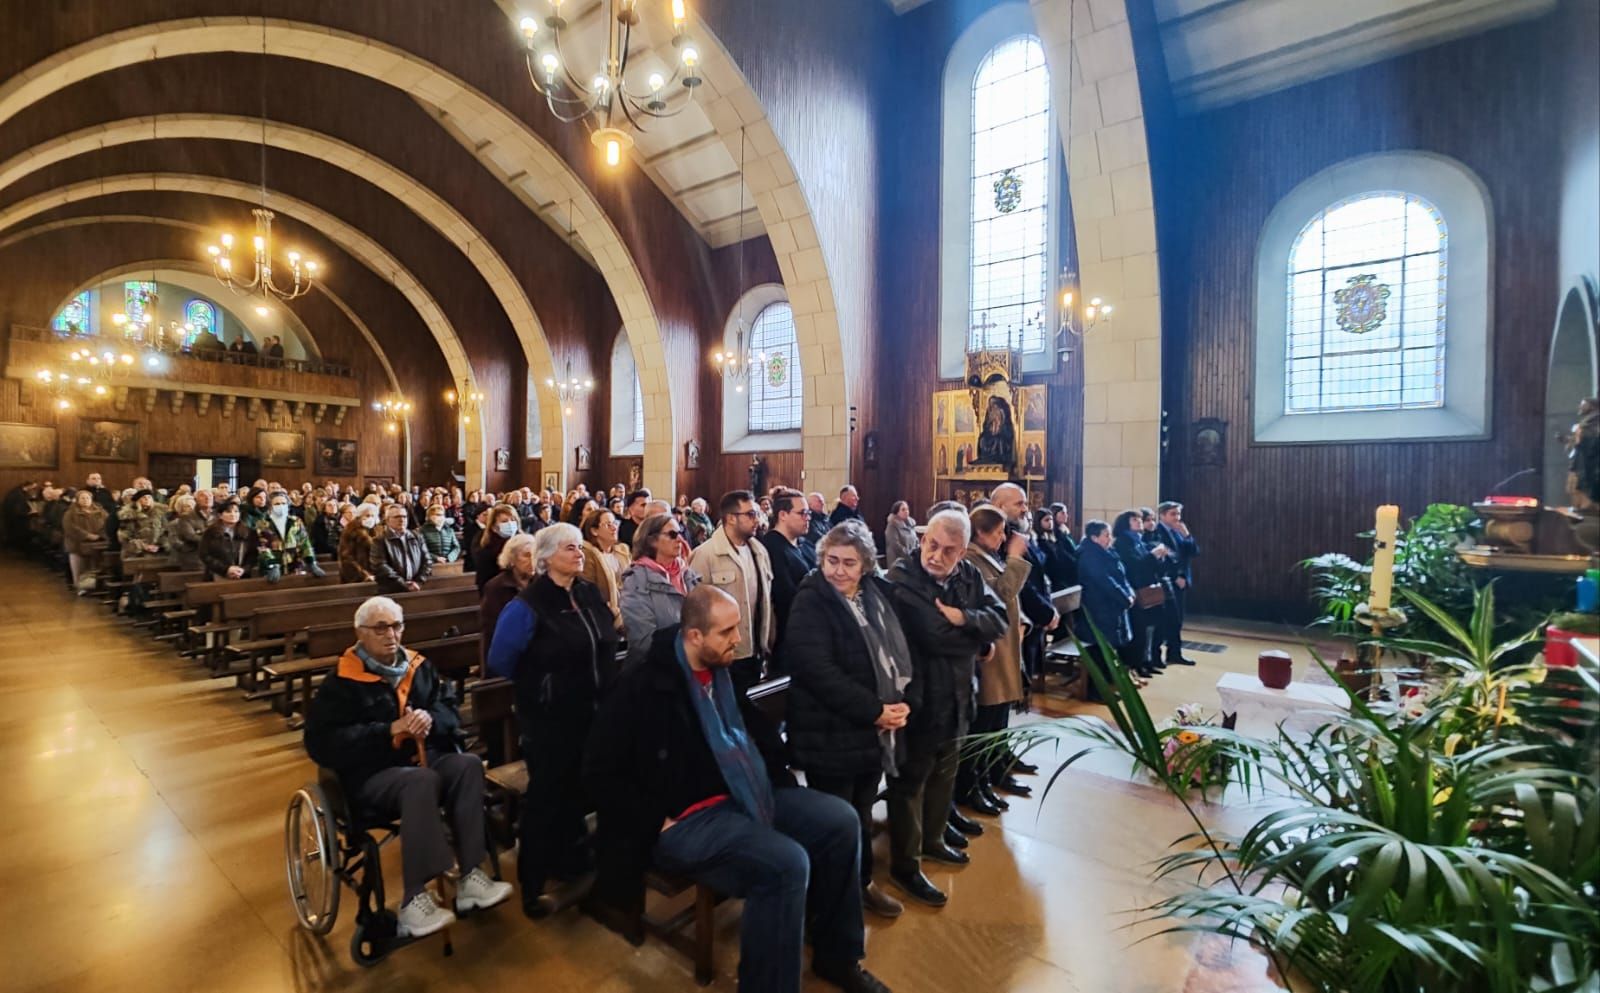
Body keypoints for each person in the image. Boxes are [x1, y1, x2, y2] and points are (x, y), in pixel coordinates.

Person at [584, 586, 893, 993]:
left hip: (745, 791)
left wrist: (779, 775)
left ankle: (837, 957)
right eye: (727, 632)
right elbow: (597, 770)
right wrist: (650, 819)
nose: (738, 640)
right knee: (786, 863)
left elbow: (752, 733)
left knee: (840, 822)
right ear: (694, 636)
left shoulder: (721, 671)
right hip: (685, 818)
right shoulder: (643, 685)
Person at [303, 596, 513, 938]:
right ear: (360, 633)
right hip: (371, 775)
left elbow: (450, 709)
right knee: (421, 782)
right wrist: (388, 730)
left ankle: (471, 876)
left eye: (397, 626)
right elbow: (321, 742)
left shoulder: (419, 667)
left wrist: (430, 719)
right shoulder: (341, 681)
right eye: (381, 627)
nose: (391, 635)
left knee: (467, 765)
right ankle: (414, 900)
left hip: (425, 759)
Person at [783, 522, 916, 920]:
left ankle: (860, 884)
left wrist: (901, 703)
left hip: (869, 733)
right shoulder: (811, 600)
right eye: (831, 560)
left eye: (849, 563)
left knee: (860, 813)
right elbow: (816, 669)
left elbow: (899, 652)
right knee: (835, 824)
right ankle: (828, 905)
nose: (838, 570)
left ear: (865, 566)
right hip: (829, 732)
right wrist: (875, 710)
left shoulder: (876, 594)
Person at [487, 524, 620, 918]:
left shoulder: (587, 592)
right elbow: (501, 659)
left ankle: (574, 862)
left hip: (594, 711)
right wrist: (544, 684)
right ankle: (532, 883)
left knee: (583, 791)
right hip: (551, 719)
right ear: (545, 559)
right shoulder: (527, 605)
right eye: (569, 548)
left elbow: (605, 640)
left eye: (580, 547)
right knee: (547, 799)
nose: (579, 554)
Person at [884, 509, 1006, 908]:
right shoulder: (904, 578)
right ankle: (906, 865)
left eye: (948, 551)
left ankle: (934, 840)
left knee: (944, 775)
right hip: (920, 698)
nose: (936, 556)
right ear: (922, 538)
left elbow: (1000, 617)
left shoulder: (968, 575)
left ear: (963, 551)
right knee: (911, 784)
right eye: (931, 545)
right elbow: (934, 637)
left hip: (958, 695)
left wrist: (964, 617)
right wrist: (978, 640)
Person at [955, 507, 1032, 818]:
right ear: (980, 534)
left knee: (996, 726)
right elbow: (1001, 594)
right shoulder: (971, 559)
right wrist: (1014, 558)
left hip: (1004, 653)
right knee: (982, 728)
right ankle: (971, 787)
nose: (1003, 538)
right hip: (990, 659)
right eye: (998, 532)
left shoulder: (986, 557)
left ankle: (986, 779)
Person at [689, 490, 775, 692]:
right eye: (751, 514)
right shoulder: (706, 554)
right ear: (730, 518)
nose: (757, 520)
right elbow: (696, 609)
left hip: (755, 648)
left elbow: (766, 600)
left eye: (757, 514)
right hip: (724, 654)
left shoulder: (759, 551)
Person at [617, 513, 701, 667]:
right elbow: (643, 639)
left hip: (693, 665)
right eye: (672, 534)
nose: (680, 540)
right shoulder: (637, 580)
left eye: (681, 532)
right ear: (652, 540)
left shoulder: (688, 574)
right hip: (657, 669)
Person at [1076, 520, 1137, 702]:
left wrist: (1129, 593)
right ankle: (1095, 691)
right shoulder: (1089, 556)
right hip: (1097, 608)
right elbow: (1104, 581)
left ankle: (1108, 683)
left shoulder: (1106, 551)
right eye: (1106, 535)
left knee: (1109, 648)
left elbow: (1121, 575)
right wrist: (1124, 597)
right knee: (1099, 650)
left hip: (1110, 607)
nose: (1110, 538)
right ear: (1094, 538)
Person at [758, 488, 816, 672]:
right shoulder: (772, 547)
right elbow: (785, 595)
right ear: (783, 515)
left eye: (809, 513)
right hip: (788, 637)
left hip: (810, 631)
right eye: (802, 513)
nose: (808, 518)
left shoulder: (805, 545)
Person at [1113, 510, 1165, 677]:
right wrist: (1152, 556)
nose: (1139, 522)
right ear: (1125, 524)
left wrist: (1159, 558)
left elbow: (1147, 565)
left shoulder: (1138, 541)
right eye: (1135, 519)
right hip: (1135, 590)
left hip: (1147, 589)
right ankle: (1136, 665)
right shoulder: (1122, 543)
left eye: (1139, 519)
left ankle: (1145, 662)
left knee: (1148, 629)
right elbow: (1134, 567)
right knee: (1138, 631)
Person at [479, 532, 536, 666]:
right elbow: (492, 630)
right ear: (512, 559)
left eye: (535, 554)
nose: (532, 560)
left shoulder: (541, 583)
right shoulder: (496, 587)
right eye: (527, 555)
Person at [1154, 501, 1199, 667]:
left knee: (1178, 619)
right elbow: (1166, 559)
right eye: (1173, 514)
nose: (1177, 517)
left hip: (1182, 581)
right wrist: (1176, 576)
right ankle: (1158, 656)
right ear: (1163, 515)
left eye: (1178, 514)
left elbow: (1193, 552)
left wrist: (1187, 535)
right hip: (1168, 581)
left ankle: (1175, 653)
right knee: (1166, 620)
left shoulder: (1179, 531)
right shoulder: (1158, 532)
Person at [579, 506, 631, 630]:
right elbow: (592, 592)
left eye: (615, 523)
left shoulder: (622, 551)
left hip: (629, 611)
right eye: (608, 525)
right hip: (604, 618)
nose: (614, 528)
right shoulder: (587, 555)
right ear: (594, 531)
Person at [257, 491, 324, 581]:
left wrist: (311, 562)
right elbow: (263, 546)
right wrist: (273, 565)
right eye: (277, 504)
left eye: (283, 503)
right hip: (272, 570)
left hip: (295, 566)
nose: (281, 506)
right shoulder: (263, 524)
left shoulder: (296, 521)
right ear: (270, 507)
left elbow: (305, 542)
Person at [372, 503, 433, 593]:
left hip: (416, 587)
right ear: (388, 520)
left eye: (404, 517)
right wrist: (403, 584)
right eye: (397, 517)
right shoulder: (380, 540)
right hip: (391, 590)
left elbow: (427, 561)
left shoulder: (416, 536)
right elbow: (380, 566)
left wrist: (418, 581)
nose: (402, 520)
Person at [62, 488, 108, 593]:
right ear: (77, 500)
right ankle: (81, 587)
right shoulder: (70, 513)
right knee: (79, 568)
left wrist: (100, 535)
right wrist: (87, 535)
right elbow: (69, 527)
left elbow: (107, 524)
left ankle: (94, 587)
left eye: (87, 498)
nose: (85, 500)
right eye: (82, 498)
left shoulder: (101, 511)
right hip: (77, 545)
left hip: (97, 543)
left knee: (94, 567)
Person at [200, 499, 256, 581]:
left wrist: (243, 569)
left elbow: (253, 554)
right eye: (228, 512)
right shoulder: (211, 532)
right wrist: (227, 569)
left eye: (236, 511)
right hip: (217, 574)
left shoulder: (248, 532)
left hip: (242, 575)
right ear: (220, 515)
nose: (233, 514)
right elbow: (204, 555)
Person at [475, 504, 520, 592]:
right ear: (494, 526)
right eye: (504, 521)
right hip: (496, 591)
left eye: (513, 520)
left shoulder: (522, 540)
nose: (510, 524)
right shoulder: (485, 544)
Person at [118, 489, 168, 566]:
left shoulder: (160, 513)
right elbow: (124, 537)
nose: (147, 499)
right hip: (136, 552)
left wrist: (160, 545)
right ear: (138, 500)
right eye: (144, 497)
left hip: (158, 551)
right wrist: (144, 546)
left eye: (149, 497)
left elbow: (166, 531)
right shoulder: (129, 515)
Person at [1037, 505, 1078, 592]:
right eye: (1063, 513)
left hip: (1063, 575)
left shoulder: (1060, 533)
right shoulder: (1040, 540)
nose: (1050, 522)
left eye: (1051, 519)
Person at [339, 504, 379, 583]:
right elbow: (347, 557)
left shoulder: (376, 530)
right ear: (359, 516)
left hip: (376, 574)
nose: (370, 518)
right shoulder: (350, 531)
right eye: (367, 515)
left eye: (372, 515)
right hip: (358, 576)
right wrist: (364, 575)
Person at [168, 494, 208, 571]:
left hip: (198, 558)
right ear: (180, 508)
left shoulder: (199, 521)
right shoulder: (174, 523)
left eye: (193, 506)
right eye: (187, 506)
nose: (190, 508)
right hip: (180, 559)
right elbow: (175, 542)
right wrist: (191, 547)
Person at [883, 501, 918, 569]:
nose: (906, 511)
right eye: (903, 509)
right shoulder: (892, 525)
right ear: (897, 512)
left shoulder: (911, 524)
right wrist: (908, 555)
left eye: (907, 509)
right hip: (897, 561)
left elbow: (916, 539)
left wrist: (916, 553)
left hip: (911, 560)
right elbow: (895, 544)